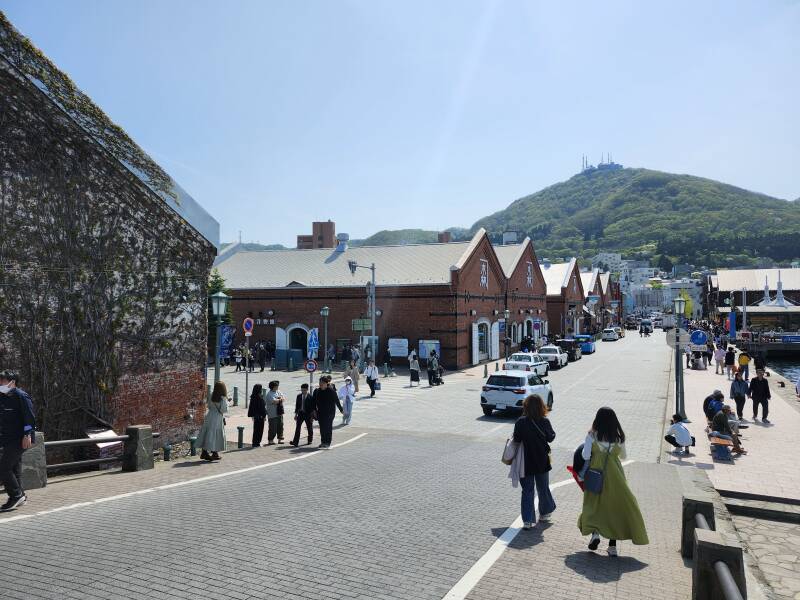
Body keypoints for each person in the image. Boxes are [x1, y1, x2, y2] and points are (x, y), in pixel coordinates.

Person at [578, 407, 649, 556]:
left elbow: (585, 456)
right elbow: (623, 456)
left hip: (596, 474)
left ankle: (595, 534)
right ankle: (612, 546)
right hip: (615, 476)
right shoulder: (618, 438)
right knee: (614, 508)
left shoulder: (592, 435)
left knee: (593, 505)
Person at [513, 394, 556, 529]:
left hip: (524, 462)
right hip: (542, 460)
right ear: (541, 407)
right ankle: (544, 513)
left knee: (527, 490)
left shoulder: (521, 422)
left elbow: (516, 439)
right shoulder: (544, 421)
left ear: (526, 406)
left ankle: (527, 520)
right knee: (543, 488)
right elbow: (550, 438)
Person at [0, 371, 36, 512]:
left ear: (12, 382)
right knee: (14, 467)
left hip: (20, 439)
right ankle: (21, 495)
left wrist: (27, 434)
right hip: (7, 438)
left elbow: (29, 418)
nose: (0, 384)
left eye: (2, 381)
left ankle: (15, 496)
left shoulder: (21, 396)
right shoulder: (3, 396)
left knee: (3, 467)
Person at [197, 381, 228, 461]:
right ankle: (214, 453)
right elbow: (224, 410)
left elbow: (209, 405)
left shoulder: (211, 395)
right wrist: (227, 402)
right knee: (215, 435)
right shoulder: (222, 398)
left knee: (207, 433)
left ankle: (204, 452)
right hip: (217, 417)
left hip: (209, 415)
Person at [312, 375, 343, 448]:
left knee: (328, 427)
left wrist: (341, 409)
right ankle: (323, 442)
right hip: (320, 412)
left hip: (330, 413)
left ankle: (327, 442)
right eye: (320, 383)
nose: (320, 384)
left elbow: (336, 400)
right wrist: (314, 411)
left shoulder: (331, 391)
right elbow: (313, 402)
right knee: (322, 427)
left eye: (322, 383)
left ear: (326, 383)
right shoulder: (317, 391)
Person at [265, 380, 285, 445]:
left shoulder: (278, 392)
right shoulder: (269, 394)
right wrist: (280, 399)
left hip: (279, 412)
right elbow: (274, 401)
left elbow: (283, 398)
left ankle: (280, 439)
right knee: (272, 427)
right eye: (276, 386)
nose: (277, 387)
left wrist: (279, 399)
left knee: (280, 426)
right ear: (272, 387)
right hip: (272, 413)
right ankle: (270, 440)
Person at [247, 383, 267, 447]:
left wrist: (252, 415)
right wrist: (264, 415)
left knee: (256, 429)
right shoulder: (259, 397)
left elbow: (251, 407)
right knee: (260, 429)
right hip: (260, 416)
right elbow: (262, 407)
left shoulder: (253, 396)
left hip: (255, 416)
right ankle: (257, 442)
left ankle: (254, 442)